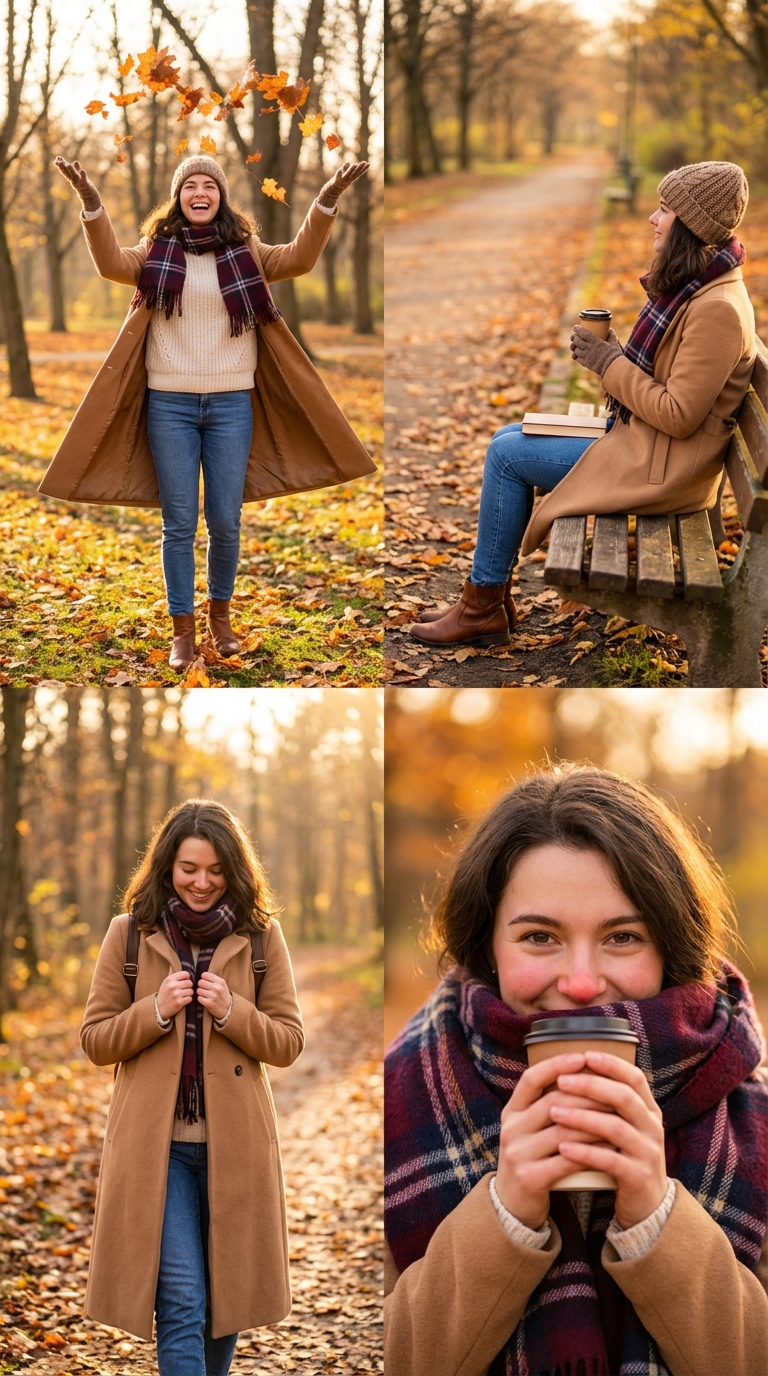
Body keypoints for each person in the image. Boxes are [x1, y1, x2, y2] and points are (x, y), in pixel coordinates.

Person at [384, 766, 767, 1376]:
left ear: (671, 945)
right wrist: (504, 1214)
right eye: (539, 937)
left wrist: (658, 1219)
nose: (582, 983)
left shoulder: (754, 1113)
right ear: (487, 946)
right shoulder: (405, 1093)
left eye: (623, 937)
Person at [41, 154, 377, 669]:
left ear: (221, 196)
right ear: (178, 197)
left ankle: (220, 618)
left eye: (210, 185)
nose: (200, 192)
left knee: (225, 521)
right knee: (178, 523)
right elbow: (109, 263)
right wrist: (91, 203)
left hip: (231, 404)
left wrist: (326, 198)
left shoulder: (248, 250)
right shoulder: (154, 251)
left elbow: (300, 258)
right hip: (169, 404)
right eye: (190, 186)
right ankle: (182, 631)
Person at [411, 160, 756, 647]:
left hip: (665, 467)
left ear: (691, 225)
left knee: (506, 456)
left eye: (664, 210)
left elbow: (678, 415)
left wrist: (609, 363)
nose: (653, 219)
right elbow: (672, 389)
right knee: (507, 437)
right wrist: (614, 357)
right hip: (651, 446)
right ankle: (491, 599)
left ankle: (480, 606)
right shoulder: (701, 287)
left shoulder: (716, 308)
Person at [80, 799, 303, 1376]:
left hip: (237, 1146)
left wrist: (233, 1011)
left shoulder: (261, 937)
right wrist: (154, 1010)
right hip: (156, 1150)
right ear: (167, 867)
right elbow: (95, 1040)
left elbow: (288, 1042)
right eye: (188, 868)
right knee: (183, 1299)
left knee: (225, 1304)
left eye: (215, 870)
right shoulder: (128, 935)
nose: (202, 883)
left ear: (234, 870)